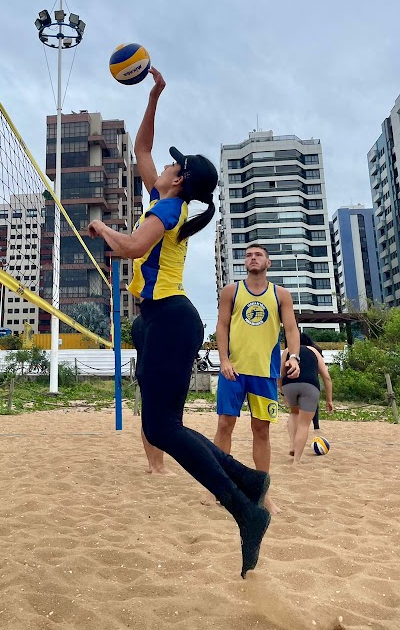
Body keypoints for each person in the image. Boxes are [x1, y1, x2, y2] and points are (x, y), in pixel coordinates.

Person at [88, 67, 271, 578]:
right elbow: (143, 148)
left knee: (161, 426)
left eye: (173, 166)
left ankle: (246, 511)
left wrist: (100, 223)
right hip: (154, 322)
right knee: (159, 420)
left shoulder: (167, 209)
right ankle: (249, 483)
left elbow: (129, 247)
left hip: (171, 319)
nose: (161, 165)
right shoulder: (164, 197)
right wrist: (154, 96)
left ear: (181, 180)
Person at [215, 245, 300, 514]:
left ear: (268, 262)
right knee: (224, 425)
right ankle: (218, 487)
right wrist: (224, 360)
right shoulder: (232, 291)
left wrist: (294, 357)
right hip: (234, 371)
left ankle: (261, 492)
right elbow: (222, 326)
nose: (253, 258)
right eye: (249, 255)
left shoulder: (280, 294)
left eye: (258, 255)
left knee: (261, 431)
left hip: (265, 372)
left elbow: (290, 329)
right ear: (244, 262)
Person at [280, 332, 333, 464]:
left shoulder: (287, 351)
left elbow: (280, 374)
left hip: (290, 384)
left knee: (293, 414)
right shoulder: (314, 351)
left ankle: (292, 444)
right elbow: (326, 377)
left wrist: (282, 393)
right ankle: (296, 460)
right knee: (304, 424)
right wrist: (329, 400)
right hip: (310, 385)